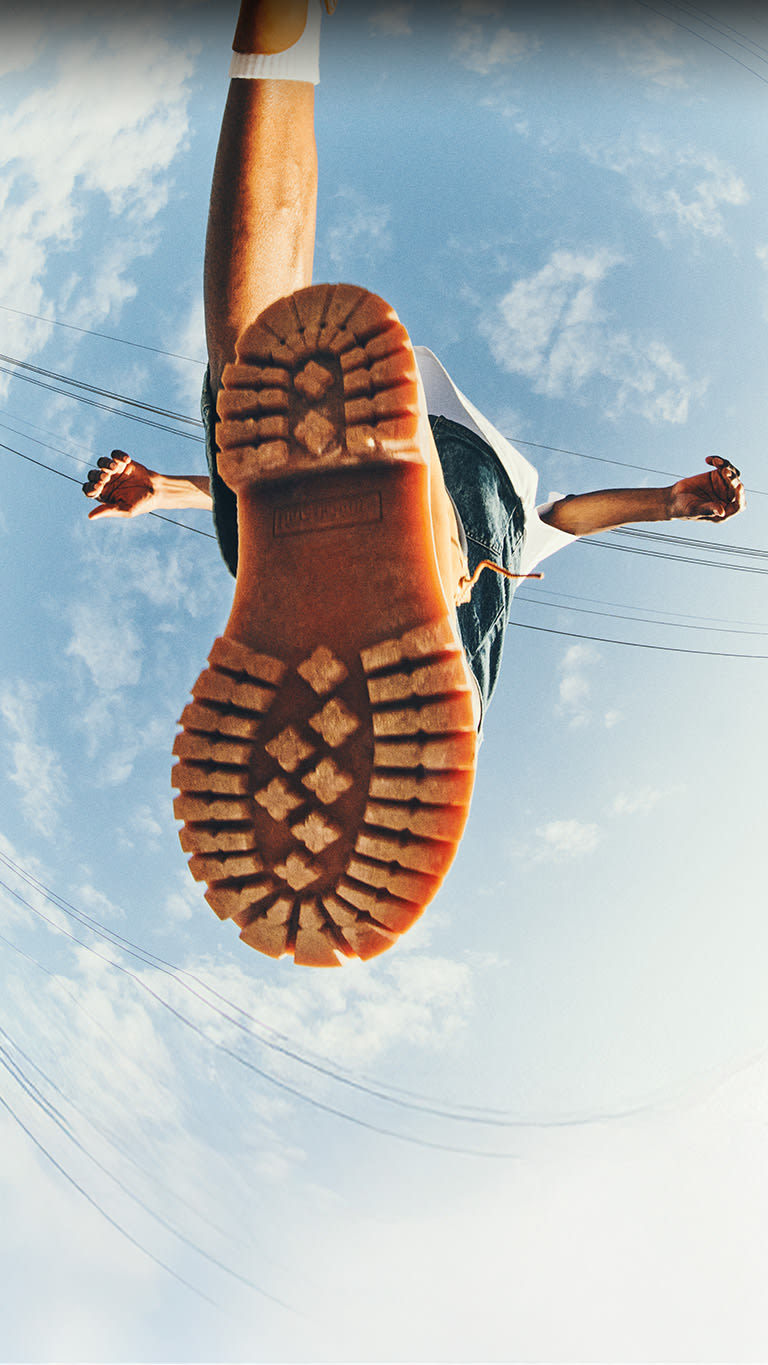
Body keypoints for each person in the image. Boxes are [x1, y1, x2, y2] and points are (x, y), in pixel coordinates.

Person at [83, 0, 745, 967]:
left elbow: (569, 516)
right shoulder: (512, 509)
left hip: (326, 546)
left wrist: (159, 490)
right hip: (435, 559)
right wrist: (668, 503)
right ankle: (423, 560)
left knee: (256, 369)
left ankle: (281, 41)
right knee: (255, 380)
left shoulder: (450, 469)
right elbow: (567, 518)